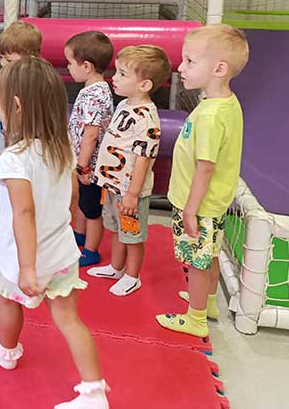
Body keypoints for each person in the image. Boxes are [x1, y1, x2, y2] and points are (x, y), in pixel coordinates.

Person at [0, 57, 110, 409]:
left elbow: (23, 214)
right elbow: (72, 197)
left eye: (0, 105)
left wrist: (26, 267)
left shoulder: (14, 157)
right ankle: (94, 393)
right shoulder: (62, 149)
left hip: (21, 257)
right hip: (62, 253)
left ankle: (7, 351)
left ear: (16, 106)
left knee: (8, 300)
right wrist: (61, 225)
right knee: (69, 319)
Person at [156, 25, 249, 337]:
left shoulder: (210, 115)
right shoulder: (225, 103)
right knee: (209, 253)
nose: (181, 68)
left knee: (196, 261)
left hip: (199, 205)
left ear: (218, 69)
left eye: (190, 62)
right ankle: (207, 302)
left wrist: (190, 210)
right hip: (213, 202)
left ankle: (195, 319)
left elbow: (205, 167)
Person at [87, 45, 170, 297]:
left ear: (144, 85)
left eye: (122, 74)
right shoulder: (124, 104)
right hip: (112, 185)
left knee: (132, 236)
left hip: (129, 192)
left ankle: (132, 277)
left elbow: (143, 159)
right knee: (116, 229)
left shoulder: (147, 119)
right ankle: (116, 267)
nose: (114, 77)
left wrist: (133, 195)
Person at [64, 32, 115, 266]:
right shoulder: (94, 90)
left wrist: (82, 165)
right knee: (83, 203)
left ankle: (91, 250)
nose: (68, 67)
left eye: (70, 63)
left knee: (92, 209)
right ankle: (80, 234)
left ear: (86, 66)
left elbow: (91, 134)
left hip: (91, 166)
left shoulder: (94, 95)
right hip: (85, 162)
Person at [0, 20, 42, 161]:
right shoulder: (5, 78)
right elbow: (1, 107)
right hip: (6, 134)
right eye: (1, 58)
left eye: (8, 60)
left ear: (30, 57)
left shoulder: (32, 82)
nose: (3, 63)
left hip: (24, 140)